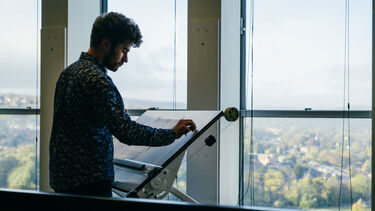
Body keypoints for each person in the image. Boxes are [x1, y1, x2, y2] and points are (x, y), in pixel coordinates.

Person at [49, 12, 196, 197]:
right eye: (124, 50)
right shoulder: (98, 81)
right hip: (89, 182)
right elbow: (126, 131)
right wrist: (171, 134)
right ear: (106, 43)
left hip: (63, 178)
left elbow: (79, 122)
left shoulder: (69, 72)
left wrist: (111, 113)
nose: (125, 59)